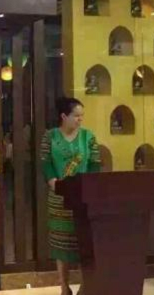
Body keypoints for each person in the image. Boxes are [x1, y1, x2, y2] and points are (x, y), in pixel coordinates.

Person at [41, 98, 100, 295]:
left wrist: (90, 186)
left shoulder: (88, 137)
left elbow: (95, 163)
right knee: (61, 243)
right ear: (64, 116)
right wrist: (53, 182)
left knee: (84, 243)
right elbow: (45, 162)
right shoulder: (50, 136)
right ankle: (64, 286)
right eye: (76, 116)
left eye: (82, 116)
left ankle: (85, 286)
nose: (80, 119)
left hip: (83, 198)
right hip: (59, 197)